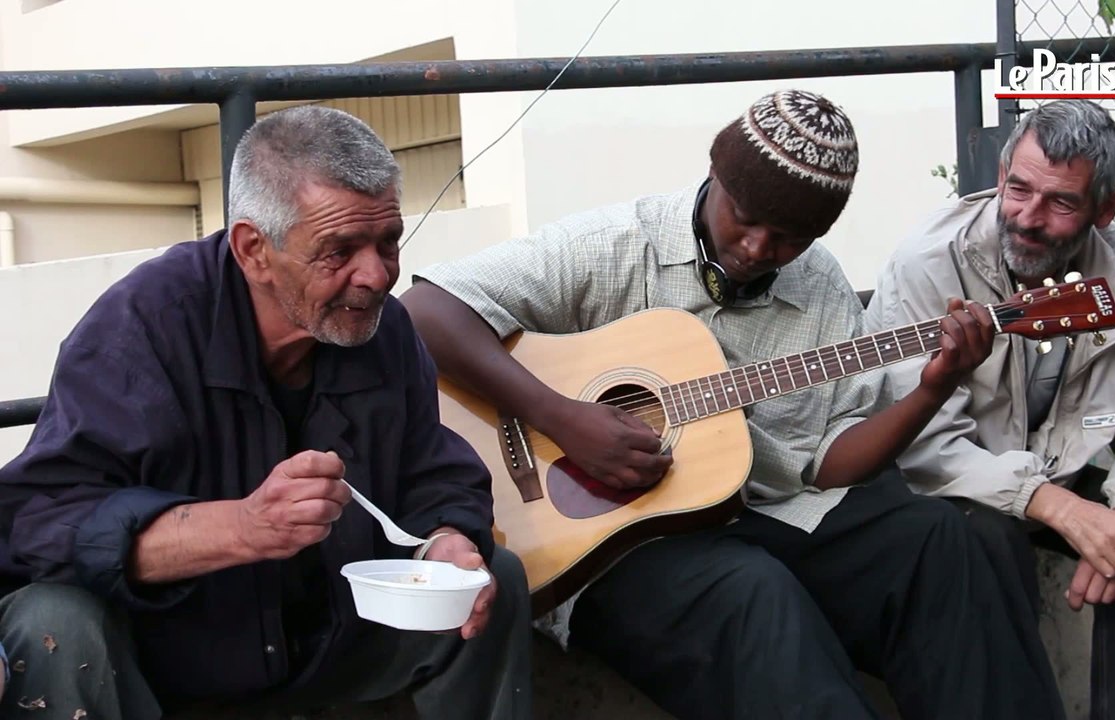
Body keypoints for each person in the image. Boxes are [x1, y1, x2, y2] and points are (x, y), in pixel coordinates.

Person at [402, 89, 1066, 720]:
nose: (756, 248)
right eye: (745, 218)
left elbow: (831, 466)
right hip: (612, 543)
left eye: (787, 238)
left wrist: (934, 386)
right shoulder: (611, 246)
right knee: (752, 594)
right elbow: (426, 312)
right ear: (716, 175)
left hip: (766, 512)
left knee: (941, 541)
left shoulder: (821, 289)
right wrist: (562, 417)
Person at [0, 106, 530, 720]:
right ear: (253, 250)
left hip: (325, 638)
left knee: (494, 582)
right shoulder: (141, 331)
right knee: (52, 620)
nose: (379, 274)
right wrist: (241, 526)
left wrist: (445, 542)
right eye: (339, 251)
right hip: (171, 658)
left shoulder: (381, 330)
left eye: (389, 241)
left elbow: (431, 468)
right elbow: (42, 521)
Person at [867, 99, 1115, 720]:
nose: (1027, 217)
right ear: (1000, 174)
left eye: (1061, 203)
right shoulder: (928, 264)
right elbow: (924, 446)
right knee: (981, 535)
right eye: (1017, 188)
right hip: (953, 488)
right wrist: (1059, 508)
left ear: (1107, 208)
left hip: (1058, 470)